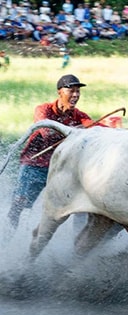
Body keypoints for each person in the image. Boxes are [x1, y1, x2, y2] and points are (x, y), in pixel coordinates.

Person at [7, 74, 95, 229]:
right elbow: (47, 131)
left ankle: (77, 248)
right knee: (19, 205)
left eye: (78, 92)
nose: (75, 95)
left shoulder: (79, 116)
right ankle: (7, 239)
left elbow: (96, 128)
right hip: (36, 164)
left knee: (81, 205)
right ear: (59, 92)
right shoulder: (43, 109)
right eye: (71, 91)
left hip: (63, 168)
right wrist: (76, 130)